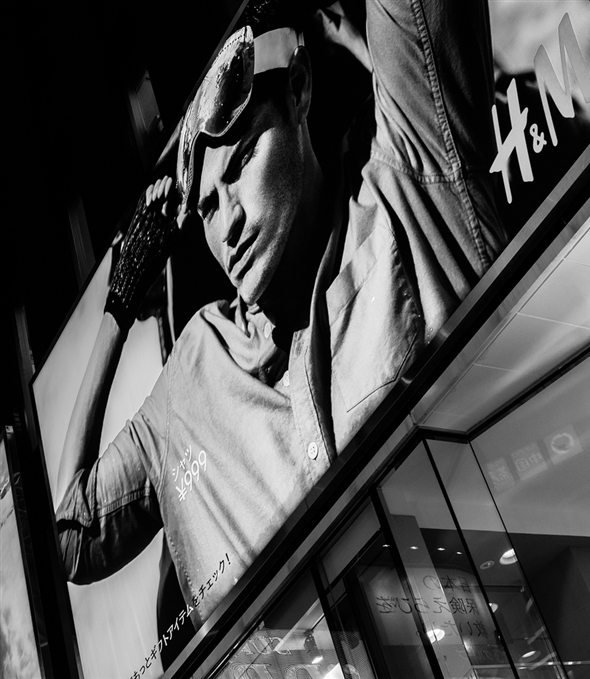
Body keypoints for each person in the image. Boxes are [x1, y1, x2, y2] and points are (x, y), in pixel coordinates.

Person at [55, 0, 504, 628]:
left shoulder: (405, 194)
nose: (229, 223)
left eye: (241, 164)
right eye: (207, 208)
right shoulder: (194, 377)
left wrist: (344, 35)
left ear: (298, 90)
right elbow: (72, 539)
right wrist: (119, 302)